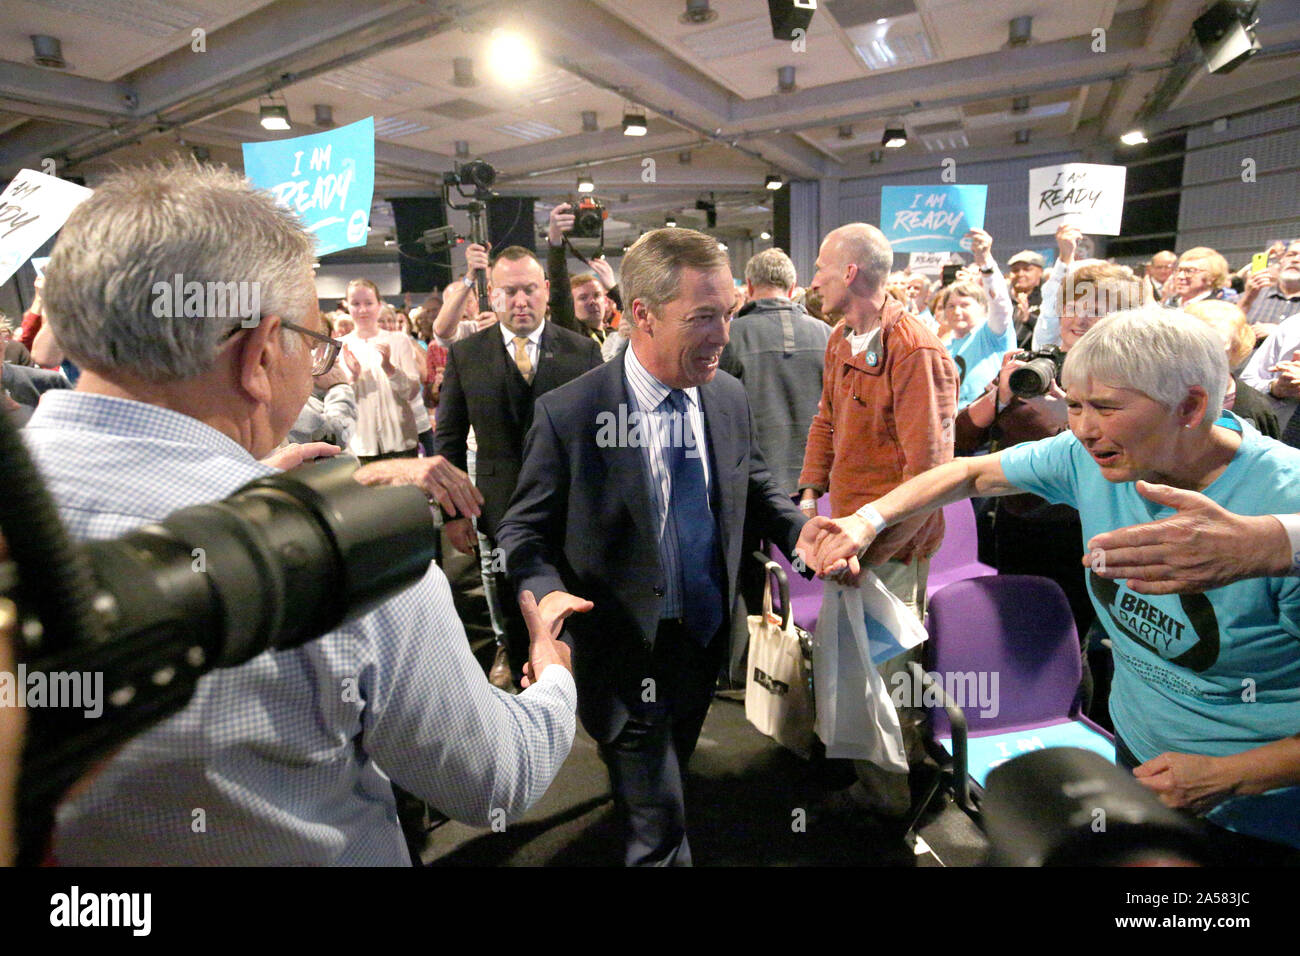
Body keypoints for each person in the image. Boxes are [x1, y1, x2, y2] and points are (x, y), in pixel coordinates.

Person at [24, 162, 575, 865]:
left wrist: (248, 478)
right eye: (315, 346)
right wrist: (553, 669)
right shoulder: (359, 560)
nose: (318, 367)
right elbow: (497, 779)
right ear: (257, 357)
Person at [811, 307, 1300, 855]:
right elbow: (969, 473)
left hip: (1259, 810)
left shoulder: (1284, 507)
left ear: (1190, 406)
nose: (1084, 429)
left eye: (1107, 408)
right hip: (1143, 758)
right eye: (1073, 405)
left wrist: (1230, 774)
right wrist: (867, 519)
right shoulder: (1086, 456)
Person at [496, 227, 820, 866]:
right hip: (619, 652)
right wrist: (542, 593)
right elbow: (522, 531)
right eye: (703, 317)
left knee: (665, 775)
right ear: (641, 314)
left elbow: (750, 481)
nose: (723, 334)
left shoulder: (725, 394)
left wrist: (798, 532)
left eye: (727, 313)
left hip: (701, 644)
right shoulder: (574, 413)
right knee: (661, 827)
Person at [798, 222, 959, 820]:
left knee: (888, 680)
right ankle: (865, 784)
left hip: (891, 548)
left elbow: (930, 476)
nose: (811, 279)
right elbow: (826, 421)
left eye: (819, 266)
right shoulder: (841, 337)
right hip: (848, 536)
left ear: (848, 273)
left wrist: (869, 547)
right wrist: (810, 493)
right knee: (851, 670)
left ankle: (893, 807)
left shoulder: (916, 350)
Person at [435, 245, 602, 686]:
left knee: (570, 592)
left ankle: (571, 667)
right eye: (509, 292)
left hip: (571, 507)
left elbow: (600, 440)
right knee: (509, 596)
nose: (520, 301)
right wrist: (453, 514)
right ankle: (516, 655)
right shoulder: (466, 355)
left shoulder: (582, 352)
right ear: (493, 295)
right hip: (497, 506)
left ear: (546, 291)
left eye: (529, 289)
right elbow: (448, 441)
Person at [720, 247, 831, 495]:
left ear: (749, 286)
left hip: (752, 484)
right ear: (792, 288)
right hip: (817, 484)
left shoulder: (728, 337)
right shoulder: (827, 335)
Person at [338, 279, 424, 462]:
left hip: (401, 442)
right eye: (355, 304)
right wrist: (352, 377)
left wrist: (389, 368)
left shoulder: (399, 340)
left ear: (378, 305)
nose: (362, 310)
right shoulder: (341, 347)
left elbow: (411, 391)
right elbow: (339, 401)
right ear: (347, 306)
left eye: (368, 303)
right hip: (361, 445)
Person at [1182, 299, 1278, 439]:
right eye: (1191, 340)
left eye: (1216, 343)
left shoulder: (1253, 408)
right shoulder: (1158, 391)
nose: (1202, 351)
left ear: (1235, 348)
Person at [1238, 239, 1300, 339]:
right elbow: (1224, 327)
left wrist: (1281, 331)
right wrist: (1247, 300)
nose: (1295, 260)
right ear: (1282, 261)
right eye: (1291, 255)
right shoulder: (1253, 294)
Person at [1165, 247, 1235, 307]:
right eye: (1179, 270)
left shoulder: (1218, 308)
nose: (1180, 276)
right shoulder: (1171, 303)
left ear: (1213, 277)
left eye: (1190, 271)